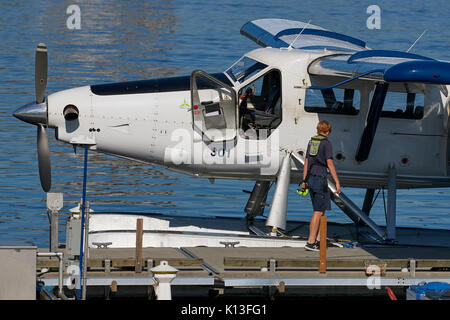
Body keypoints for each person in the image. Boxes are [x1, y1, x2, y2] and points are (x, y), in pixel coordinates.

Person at [301, 120, 341, 251]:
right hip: (320, 179)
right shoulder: (326, 143)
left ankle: (319, 240)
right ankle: (311, 242)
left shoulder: (312, 141)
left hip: (310, 178)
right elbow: (329, 163)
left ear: (318, 130)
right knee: (318, 212)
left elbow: (306, 161)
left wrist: (304, 180)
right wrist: (337, 181)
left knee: (321, 209)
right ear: (328, 131)